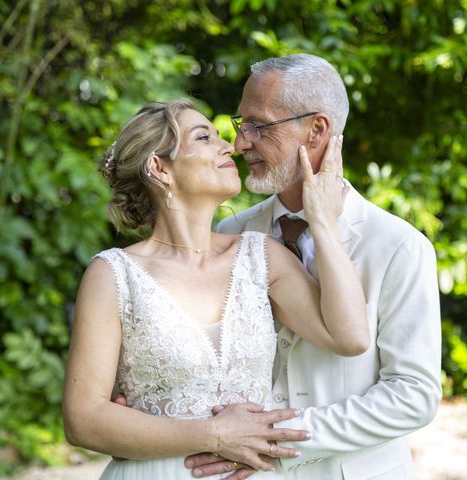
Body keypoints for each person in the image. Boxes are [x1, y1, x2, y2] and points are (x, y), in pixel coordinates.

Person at [62, 98, 370, 479]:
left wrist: (322, 221)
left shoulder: (262, 258)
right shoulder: (113, 274)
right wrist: (213, 435)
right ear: (159, 168)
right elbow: (82, 419)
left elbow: (351, 337)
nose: (230, 146)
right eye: (204, 137)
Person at [185, 54, 442, 480]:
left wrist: (282, 436)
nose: (241, 143)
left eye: (259, 126)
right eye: (240, 125)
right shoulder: (231, 231)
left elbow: (412, 396)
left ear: (317, 129)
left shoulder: (399, 247)